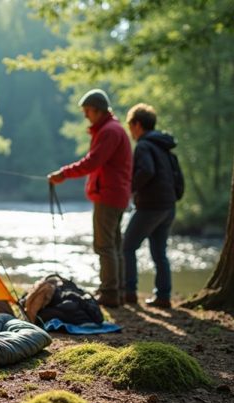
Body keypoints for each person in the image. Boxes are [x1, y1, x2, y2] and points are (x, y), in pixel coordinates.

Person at [48, 89, 132, 307]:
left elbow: (92, 161)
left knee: (104, 246)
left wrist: (63, 173)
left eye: (87, 110)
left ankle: (110, 293)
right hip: (116, 194)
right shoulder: (112, 129)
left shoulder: (109, 131)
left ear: (98, 110)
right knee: (113, 245)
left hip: (109, 195)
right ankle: (118, 291)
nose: (85, 115)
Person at [123, 103, 184, 309]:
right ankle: (163, 296)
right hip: (169, 205)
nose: (130, 131)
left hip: (150, 206)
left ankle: (129, 292)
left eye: (130, 126)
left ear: (137, 124)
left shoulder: (144, 145)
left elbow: (147, 171)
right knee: (159, 252)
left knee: (127, 247)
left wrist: (131, 188)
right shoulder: (163, 145)